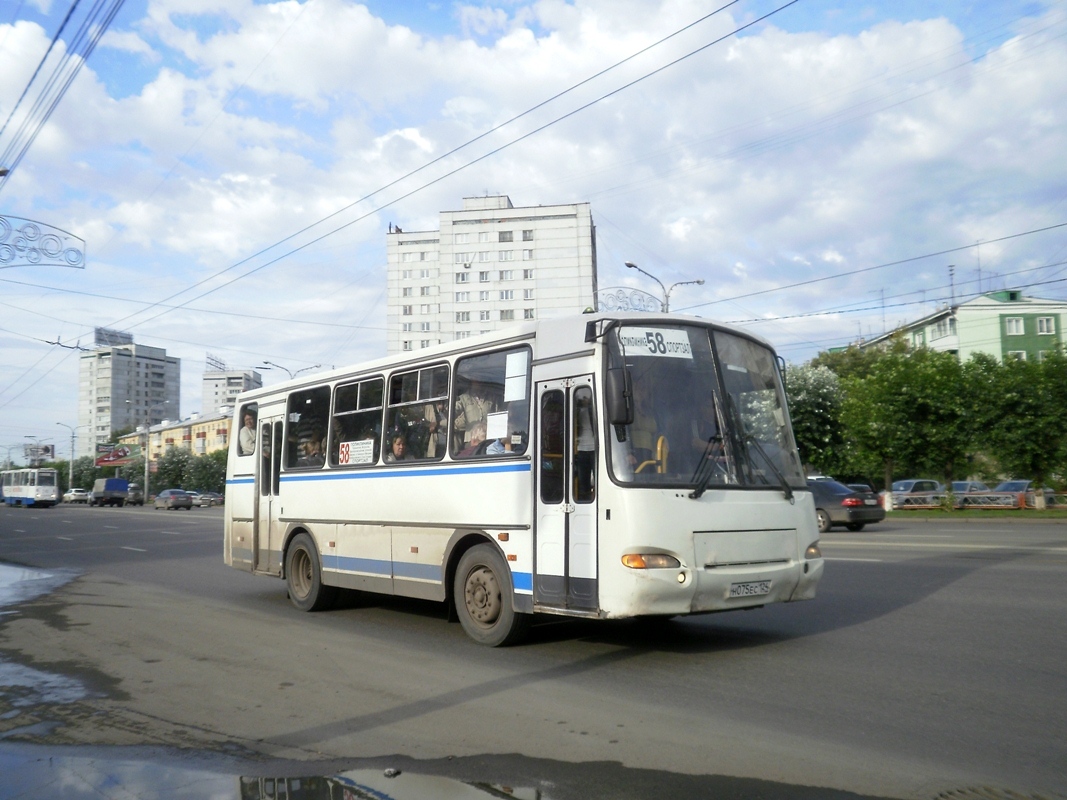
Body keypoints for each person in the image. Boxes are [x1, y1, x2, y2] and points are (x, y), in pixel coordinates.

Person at [454, 381, 496, 450]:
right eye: (475, 381)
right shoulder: (463, 398)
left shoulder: (491, 397)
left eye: (480, 380)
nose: (478, 383)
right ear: (471, 383)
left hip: (488, 440)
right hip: (470, 440)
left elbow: (497, 415)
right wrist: (445, 407)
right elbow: (454, 410)